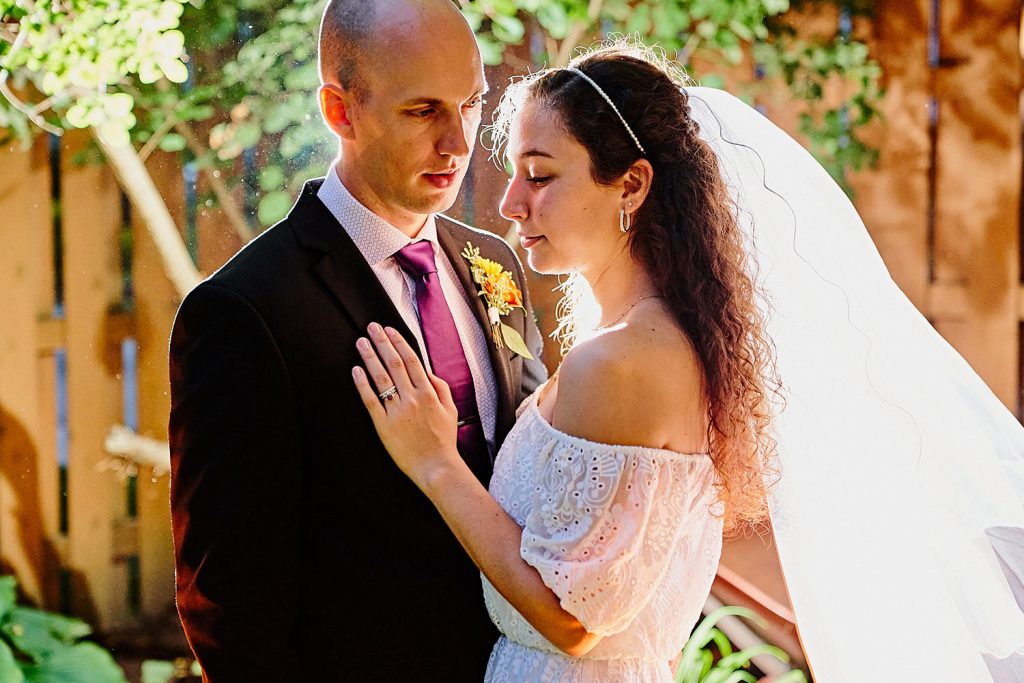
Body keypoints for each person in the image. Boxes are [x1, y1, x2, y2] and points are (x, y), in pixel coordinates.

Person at [353, 39, 1024, 683]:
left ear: (631, 185)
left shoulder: (623, 363)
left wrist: (436, 463)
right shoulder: (653, 341)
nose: (510, 202)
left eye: (540, 175)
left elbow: (571, 619)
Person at [168, 0, 546, 680]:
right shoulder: (243, 311)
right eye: (422, 110)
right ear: (340, 111)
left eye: (471, 104)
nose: (457, 143)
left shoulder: (497, 266)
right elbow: (227, 604)